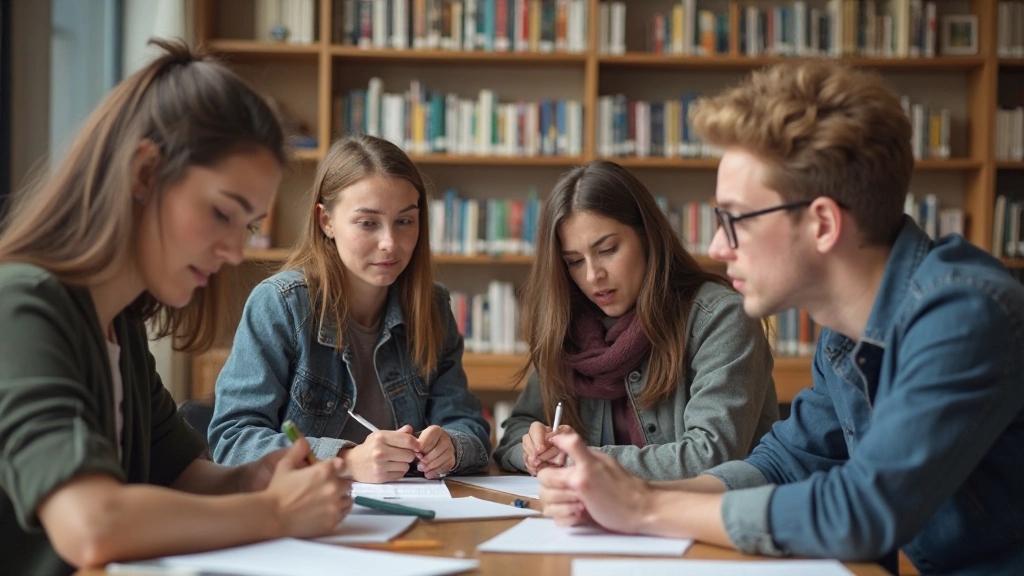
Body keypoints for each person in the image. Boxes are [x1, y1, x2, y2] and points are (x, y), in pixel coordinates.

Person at [538, 61, 1024, 575]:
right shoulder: (843, 333)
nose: (716, 245)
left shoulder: (965, 313)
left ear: (821, 223)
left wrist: (644, 509)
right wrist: (621, 490)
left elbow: (861, 509)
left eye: (733, 218)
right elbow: (785, 463)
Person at [0, 40, 353, 576]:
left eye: (250, 226)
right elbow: (91, 525)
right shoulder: (22, 305)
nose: (236, 252)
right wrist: (274, 511)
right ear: (145, 173)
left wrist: (252, 478)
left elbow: (182, 472)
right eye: (221, 213)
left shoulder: (121, 324)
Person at [208, 135, 491, 483]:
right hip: (306, 515)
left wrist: (452, 445)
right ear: (326, 221)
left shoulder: (432, 306)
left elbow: (470, 428)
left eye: (405, 221)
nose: (390, 243)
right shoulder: (281, 305)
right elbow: (233, 440)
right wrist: (344, 460)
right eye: (368, 223)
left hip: (412, 513)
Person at [492, 161, 778, 481]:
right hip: (599, 519)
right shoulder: (566, 326)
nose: (592, 275)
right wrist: (532, 450)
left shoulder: (722, 317)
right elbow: (513, 435)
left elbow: (711, 455)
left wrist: (579, 458)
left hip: (705, 522)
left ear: (646, 236)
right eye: (574, 262)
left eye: (608, 249)